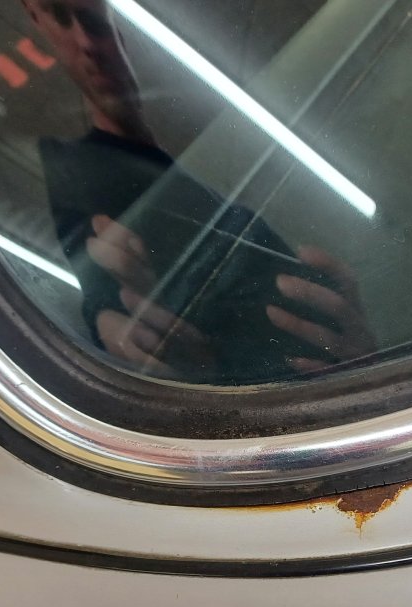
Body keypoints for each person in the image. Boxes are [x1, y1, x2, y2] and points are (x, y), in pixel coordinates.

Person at [21, 0, 375, 383]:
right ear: (36, 18)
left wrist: (364, 358)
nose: (88, 41)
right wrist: (110, 326)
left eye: (96, 18)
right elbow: (96, 281)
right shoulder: (78, 172)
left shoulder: (209, 180)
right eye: (61, 15)